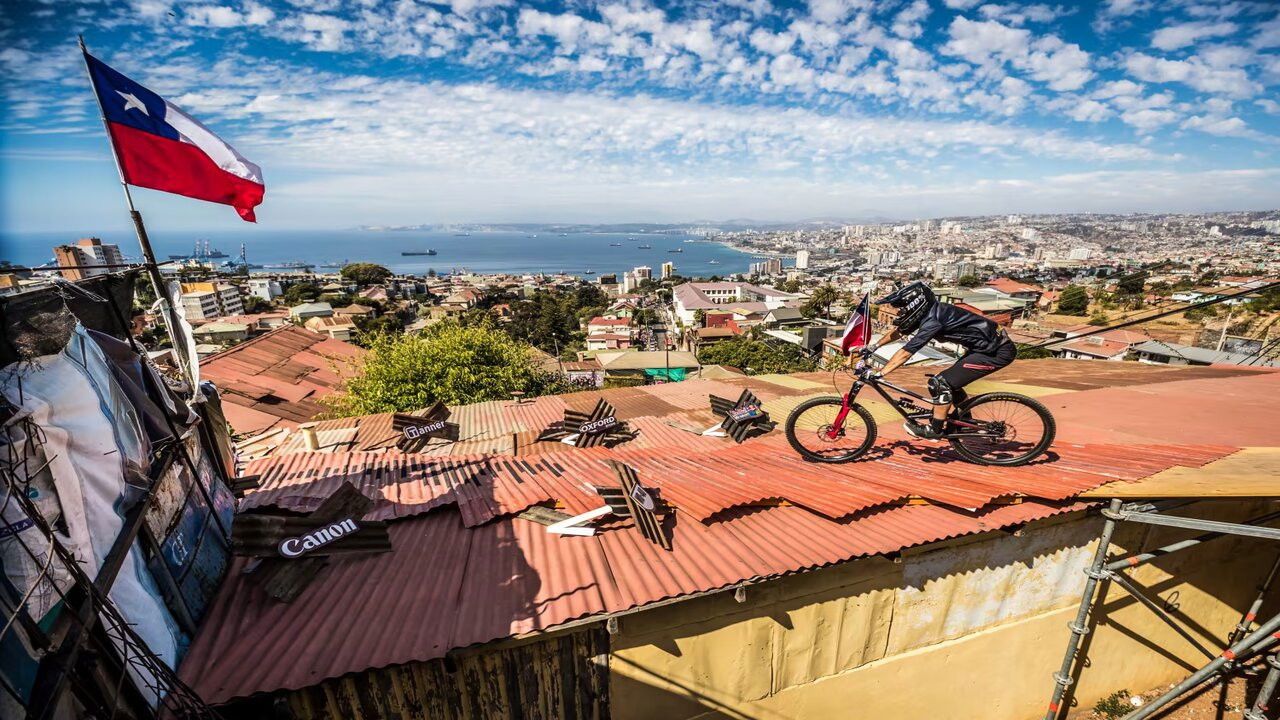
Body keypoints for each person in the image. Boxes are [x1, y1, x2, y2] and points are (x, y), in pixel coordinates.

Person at [864, 281, 1018, 440]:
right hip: (986, 348)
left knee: (939, 383)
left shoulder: (934, 321)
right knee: (951, 384)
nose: (899, 313)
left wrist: (881, 373)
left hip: (996, 352)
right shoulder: (931, 312)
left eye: (902, 309)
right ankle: (965, 421)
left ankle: (935, 430)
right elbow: (899, 331)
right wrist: (873, 346)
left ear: (915, 305)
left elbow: (907, 352)